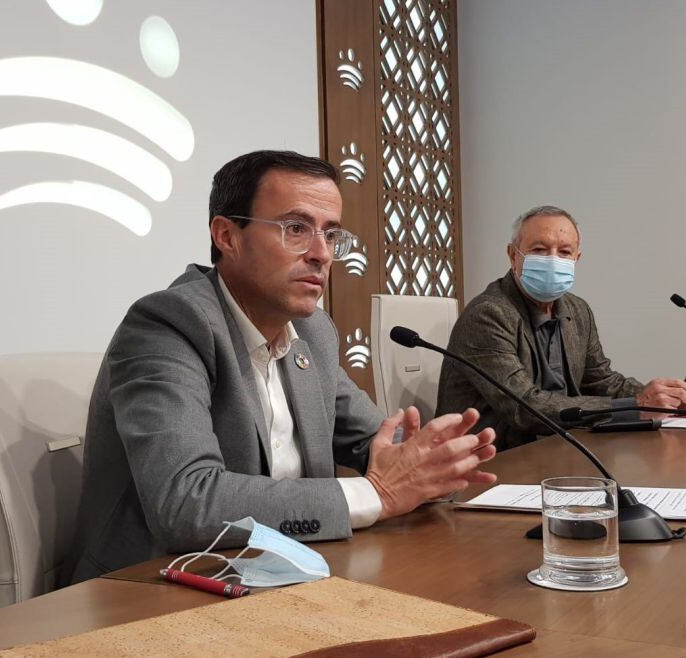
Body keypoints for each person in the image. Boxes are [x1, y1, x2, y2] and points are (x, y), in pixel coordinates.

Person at [65, 150, 496, 584]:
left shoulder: (313, 334)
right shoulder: (169, 324)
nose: (321, 254)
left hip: (284, 576)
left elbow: (376, 443)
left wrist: (434, 464)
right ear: (227, 236)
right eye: (296, 229)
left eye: (331, 235)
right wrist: (378, 493)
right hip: (159, 589)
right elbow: (185, 502)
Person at [436, 205, 686, 451]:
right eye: (538, 249)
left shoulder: (576, 309)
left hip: (556, 450)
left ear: (576, 260)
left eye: (564, 252)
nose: (552, 260)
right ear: (513, 255)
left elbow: (602, 381)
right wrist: (636, 405)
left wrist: (671, 398)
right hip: (493, 463)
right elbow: (525, 407)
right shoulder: (488, 315)